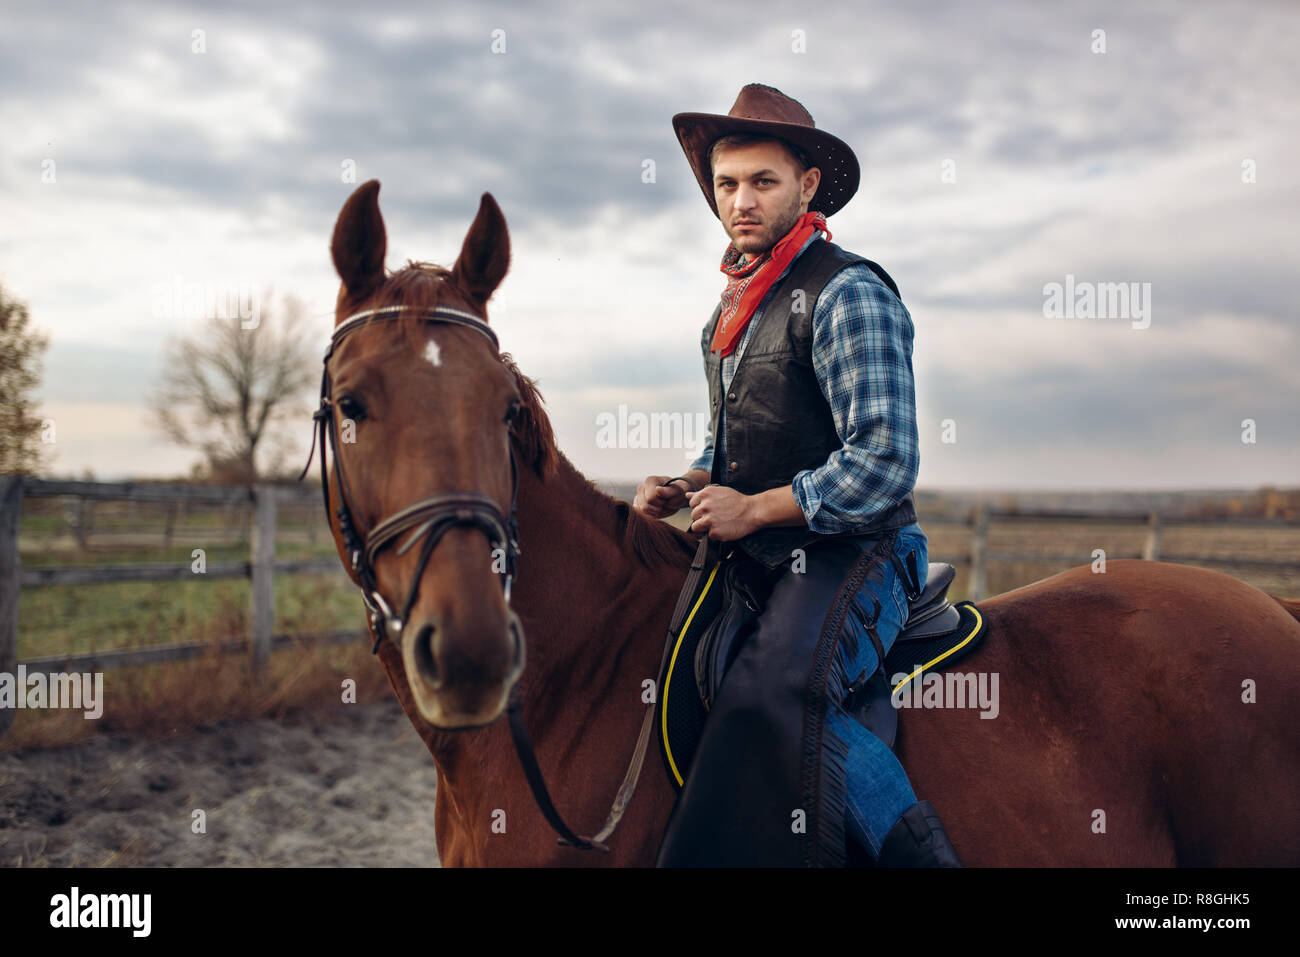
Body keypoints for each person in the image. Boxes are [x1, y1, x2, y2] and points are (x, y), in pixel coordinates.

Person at [633, 83, 962, 866]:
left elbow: (883, 460)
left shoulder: (846, 293)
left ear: (807, 185)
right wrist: (686, 484)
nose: (740, 201)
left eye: (762, 182)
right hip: (763, 552)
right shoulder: (729, 312)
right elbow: (734, 442)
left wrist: (756, 510)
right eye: (726, 184)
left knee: (776, 693)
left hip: (859, 552)